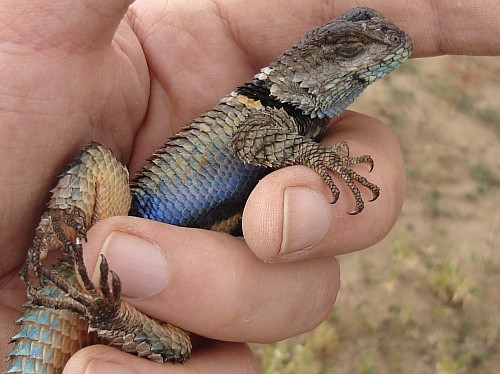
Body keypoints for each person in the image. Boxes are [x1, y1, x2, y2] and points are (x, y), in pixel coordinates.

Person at [0, 0, 498, 372]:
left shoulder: (302, 118)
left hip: (117, 290)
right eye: (352, 48)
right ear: (318, 63)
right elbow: (255, 141)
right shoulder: (269, 113)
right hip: (101, 227)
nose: (374, 55)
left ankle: (108, 311)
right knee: (97, 161)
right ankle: (62, 221)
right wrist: (312, 157)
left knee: (175, 346)